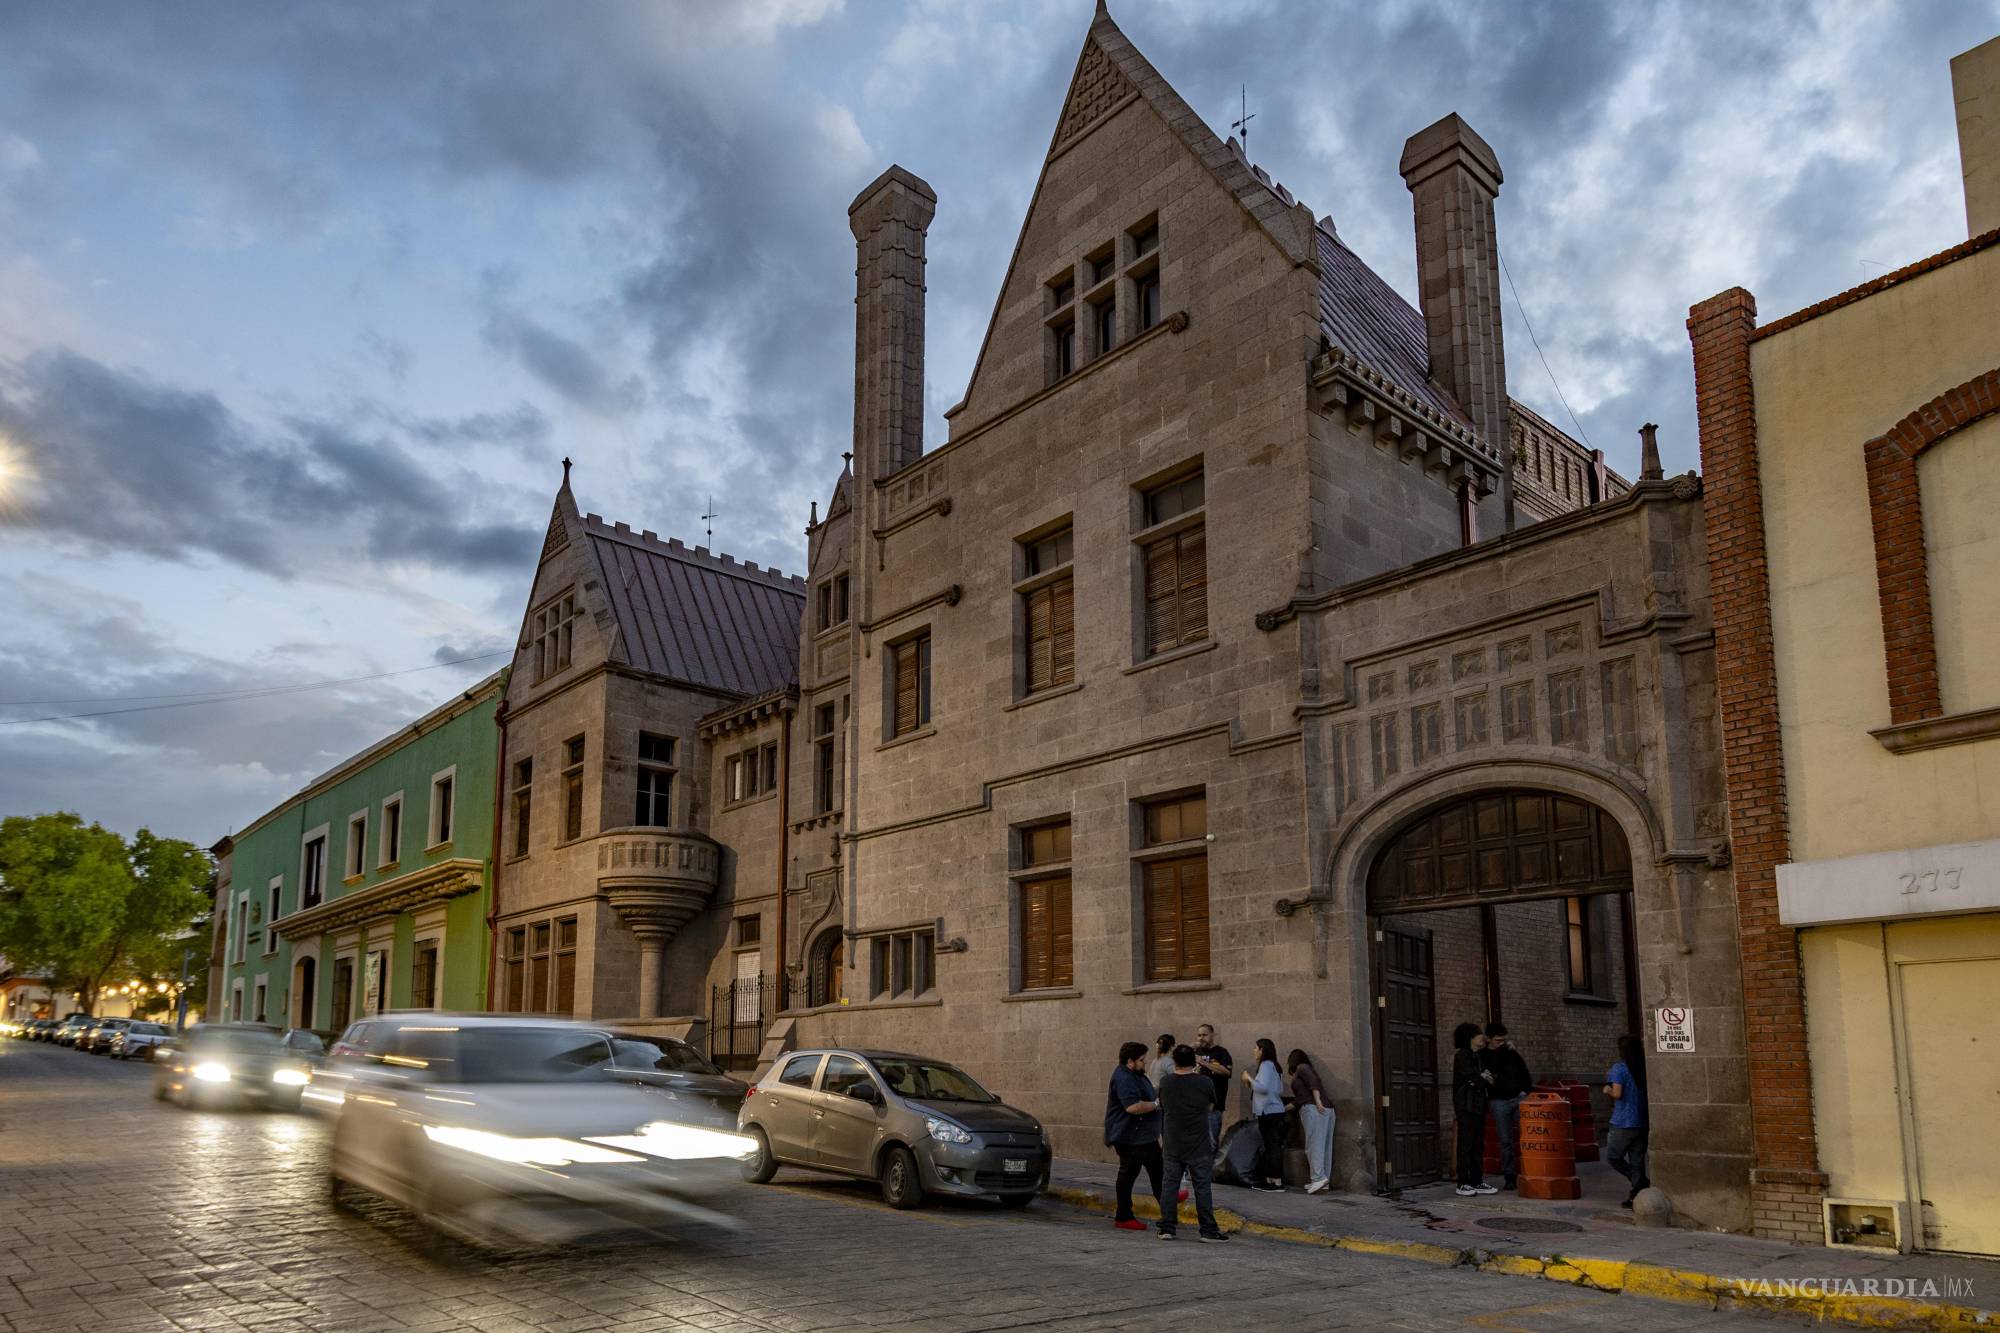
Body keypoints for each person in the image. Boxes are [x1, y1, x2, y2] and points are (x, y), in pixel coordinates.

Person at [1155, 1044, 1229, 1242]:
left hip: (1172, 1141)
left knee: (1169, 1185)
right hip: (1199, 1142)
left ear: (1175, 1061)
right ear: (1193, 1060)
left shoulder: (1166, 1082)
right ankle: (1208, 1230)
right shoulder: (1205, 1082)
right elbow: (1210, 1106)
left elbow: (1163, 1105)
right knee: (1202, 1187)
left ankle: (1167, 1228)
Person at [1104, 1041, 1162, 1231]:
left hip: (1143, 1136)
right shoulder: (1124, 1078)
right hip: (1129, 1137)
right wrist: (1156, 1104)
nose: (1145, 1062)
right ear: (1130, 1062)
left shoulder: (1135, 1074)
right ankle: (1123, 1216)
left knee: (1157, 1169)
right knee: (1129, 1174)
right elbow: (1132, 1106)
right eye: (1142, 1060)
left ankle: (1167, 1204)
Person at [1481, 1022, 1533, 1189]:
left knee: (1529, 1136)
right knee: (1505, 1141)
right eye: (1498, 1040)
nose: (1501, 1043)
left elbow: (1524, 1071)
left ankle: (1531, 1172)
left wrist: (1526, 1091)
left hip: (1519, 1097)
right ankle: (1510, 1177)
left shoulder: (1511, 1052)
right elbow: (1493, 1068)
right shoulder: (1484, 1056)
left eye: (1503, 1040)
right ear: (1489, 1039)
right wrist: (1503, 1050)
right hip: (1499, 1101)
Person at [1451, 1022, 1498, 1196]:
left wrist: (1481, 1078)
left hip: (1479, 1105)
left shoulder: (1477, 1056)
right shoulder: (1462, 1055)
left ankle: (1477, 1181)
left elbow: (1487, 1079)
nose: (1482, 1037)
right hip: (1466, 1106)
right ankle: (1462, 1183)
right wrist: (1481, 1078)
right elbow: (1475, 1078)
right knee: (1466, 1145)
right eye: (1479, 1034)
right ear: (1470, 1037)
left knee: (1478, 1145)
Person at [1604, 1034, 1650, 1207]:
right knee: (1637, 1159)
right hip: (1642, 1120)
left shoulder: (1619, 1068)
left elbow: (1617, 1093)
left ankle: (1640, 1183)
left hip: (1623, 1121)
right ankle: (1638, 1194)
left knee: (1613, 1157)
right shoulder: (1644, 1066)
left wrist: (1607, 1089)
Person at [1242, 1038, 1287, 1192]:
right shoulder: (1274, 1065)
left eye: (1256, 1048)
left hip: (1269, 1111)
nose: (1254, 1051)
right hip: (1274, 1110)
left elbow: (1263, 1088)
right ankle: (1271, 1179)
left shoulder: (1266, 1065)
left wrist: (1248, 1078)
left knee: (1272, 1147)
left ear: (1262, 1050)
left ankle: (1276, 1181)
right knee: (1271, 1146)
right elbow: (1277, 1089)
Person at [1287, 1048, 1334, 1193]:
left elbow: (1314, 1083)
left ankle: (1318, 1178)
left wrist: (1318, 1101)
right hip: (1326, 1110)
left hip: (1314, 1110)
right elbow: (1300, 1098)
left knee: (1314, 1145)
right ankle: (1323, 1180)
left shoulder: (1302, 1067)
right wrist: (1284, 1108)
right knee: (1324, 1146)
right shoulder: (1306, 1068)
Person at [1192, 1023, 1232, 1147]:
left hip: (1213, 1107)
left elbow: (1227, 1071)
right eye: (1199, 1035)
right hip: (1196, 1106)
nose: (1201, 1038)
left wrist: (1203, 1062)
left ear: (1213, 1035)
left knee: (1211, 1143)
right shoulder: (1196, 1051)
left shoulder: (1221, 1052)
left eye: (1204, 1035)